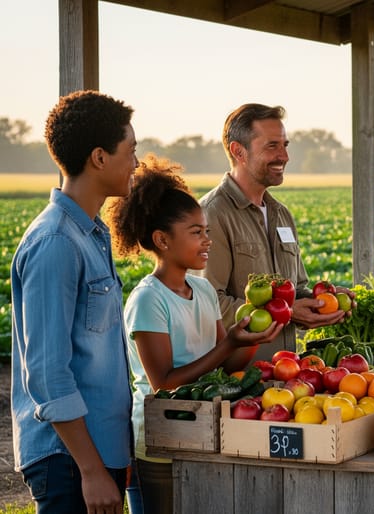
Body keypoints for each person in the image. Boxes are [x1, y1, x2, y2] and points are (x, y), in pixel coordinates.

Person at [106, 154, 284, 514]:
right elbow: (165, 384)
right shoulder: (148, 300)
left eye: (207, 231)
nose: (207, 241)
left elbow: (222, 362)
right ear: (162, 239)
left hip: (204, 431)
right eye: (196, 232)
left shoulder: (202, 291)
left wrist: (249, 342)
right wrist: (231, 343)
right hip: (160, 441)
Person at [10, 90, 137, 513]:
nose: (135, 163)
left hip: (99, 454)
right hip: (70, 463)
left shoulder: (90, 235)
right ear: (99, 158)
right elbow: (47, 372)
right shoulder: (56, 243)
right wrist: (91, 470)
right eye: (130, 150)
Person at [198, 103, 350, 362]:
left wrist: (322, 301)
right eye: (272, 146)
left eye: (285, 145)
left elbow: (297, 289)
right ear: (239, 151)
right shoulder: (212, 214)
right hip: (236, 381)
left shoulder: (282, 214)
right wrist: (288, 312)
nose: (284, 156)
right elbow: (208, 306)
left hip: (285, 376)